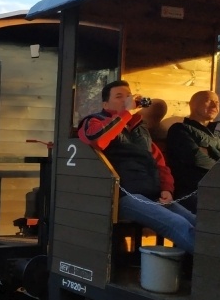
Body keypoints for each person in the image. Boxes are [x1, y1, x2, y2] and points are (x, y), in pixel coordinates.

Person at [78, 80, 195, 253]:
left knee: (195, 222)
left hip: (153, 195)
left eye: (128, 96)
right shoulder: (94, 121)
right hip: (124, 197)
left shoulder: (139, 128)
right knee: (178, 225)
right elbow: (97, 140)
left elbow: (159, 162)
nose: (126, 99)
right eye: (119, 96)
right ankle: (216, 268)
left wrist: (166, 189)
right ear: (105, 103)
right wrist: (126, 113)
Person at [166, 90, 220, 213]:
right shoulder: (180, 130)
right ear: (193, 105)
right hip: (193, 191)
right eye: (209, 101)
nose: (215, 106)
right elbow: (198, 159)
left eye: (217, 102)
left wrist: (214, 153)